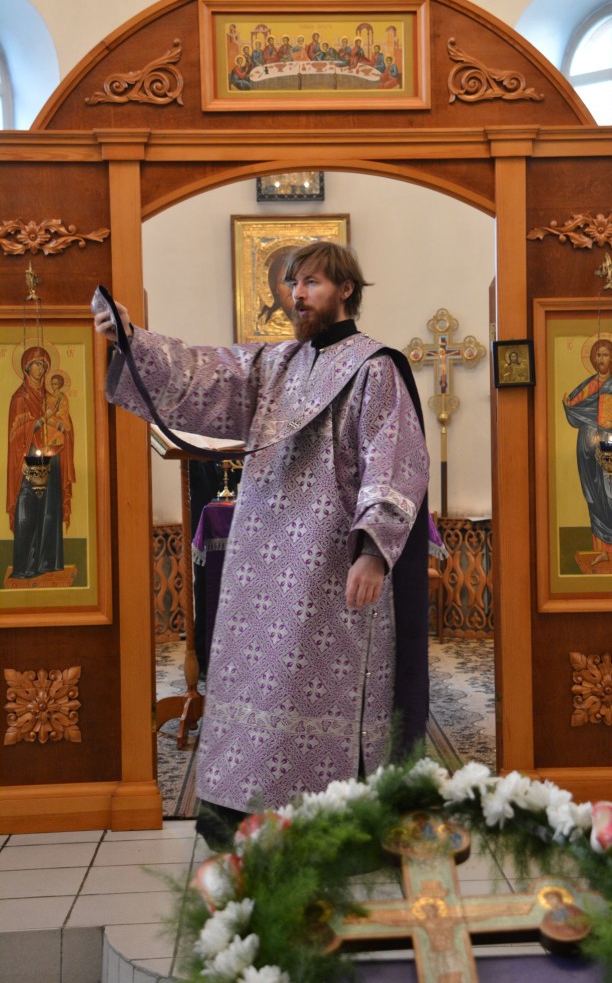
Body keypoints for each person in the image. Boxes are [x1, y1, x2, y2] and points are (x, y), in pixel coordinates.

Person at [93, 241, 430, 842]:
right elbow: (201, 372)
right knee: (259, 687)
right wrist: (131, 340)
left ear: (345, 290)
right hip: (262, 560)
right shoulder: (275, 364)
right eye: (293, 283)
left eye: (313, 283)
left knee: (322, 692)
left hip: (332, 561)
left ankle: (335, 823)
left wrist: (374, 551)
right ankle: (243, 815)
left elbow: (394, 460)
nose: (298, 295)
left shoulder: (374, 368)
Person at [563, 338, 612, 571]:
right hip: (586, 451)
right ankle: (602, 552)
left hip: (610, 446)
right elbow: (575, 415)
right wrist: (568, 406)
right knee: (594, 498)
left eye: (605, 355)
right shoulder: (587, 385)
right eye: (597, 355)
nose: (600, 359)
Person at [6, 347, 75, 578]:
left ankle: (48, 563)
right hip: (31, 459)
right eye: (37, 363)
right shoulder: (20, 398)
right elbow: (16, 434)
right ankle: (26, 567)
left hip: (51, 456)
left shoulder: (51, 397)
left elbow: (64, 424)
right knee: (31, 508)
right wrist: (40, 421)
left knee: (49, 509)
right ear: (26, 367)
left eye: (44, 365)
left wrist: (63, 427)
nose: (42, 368)